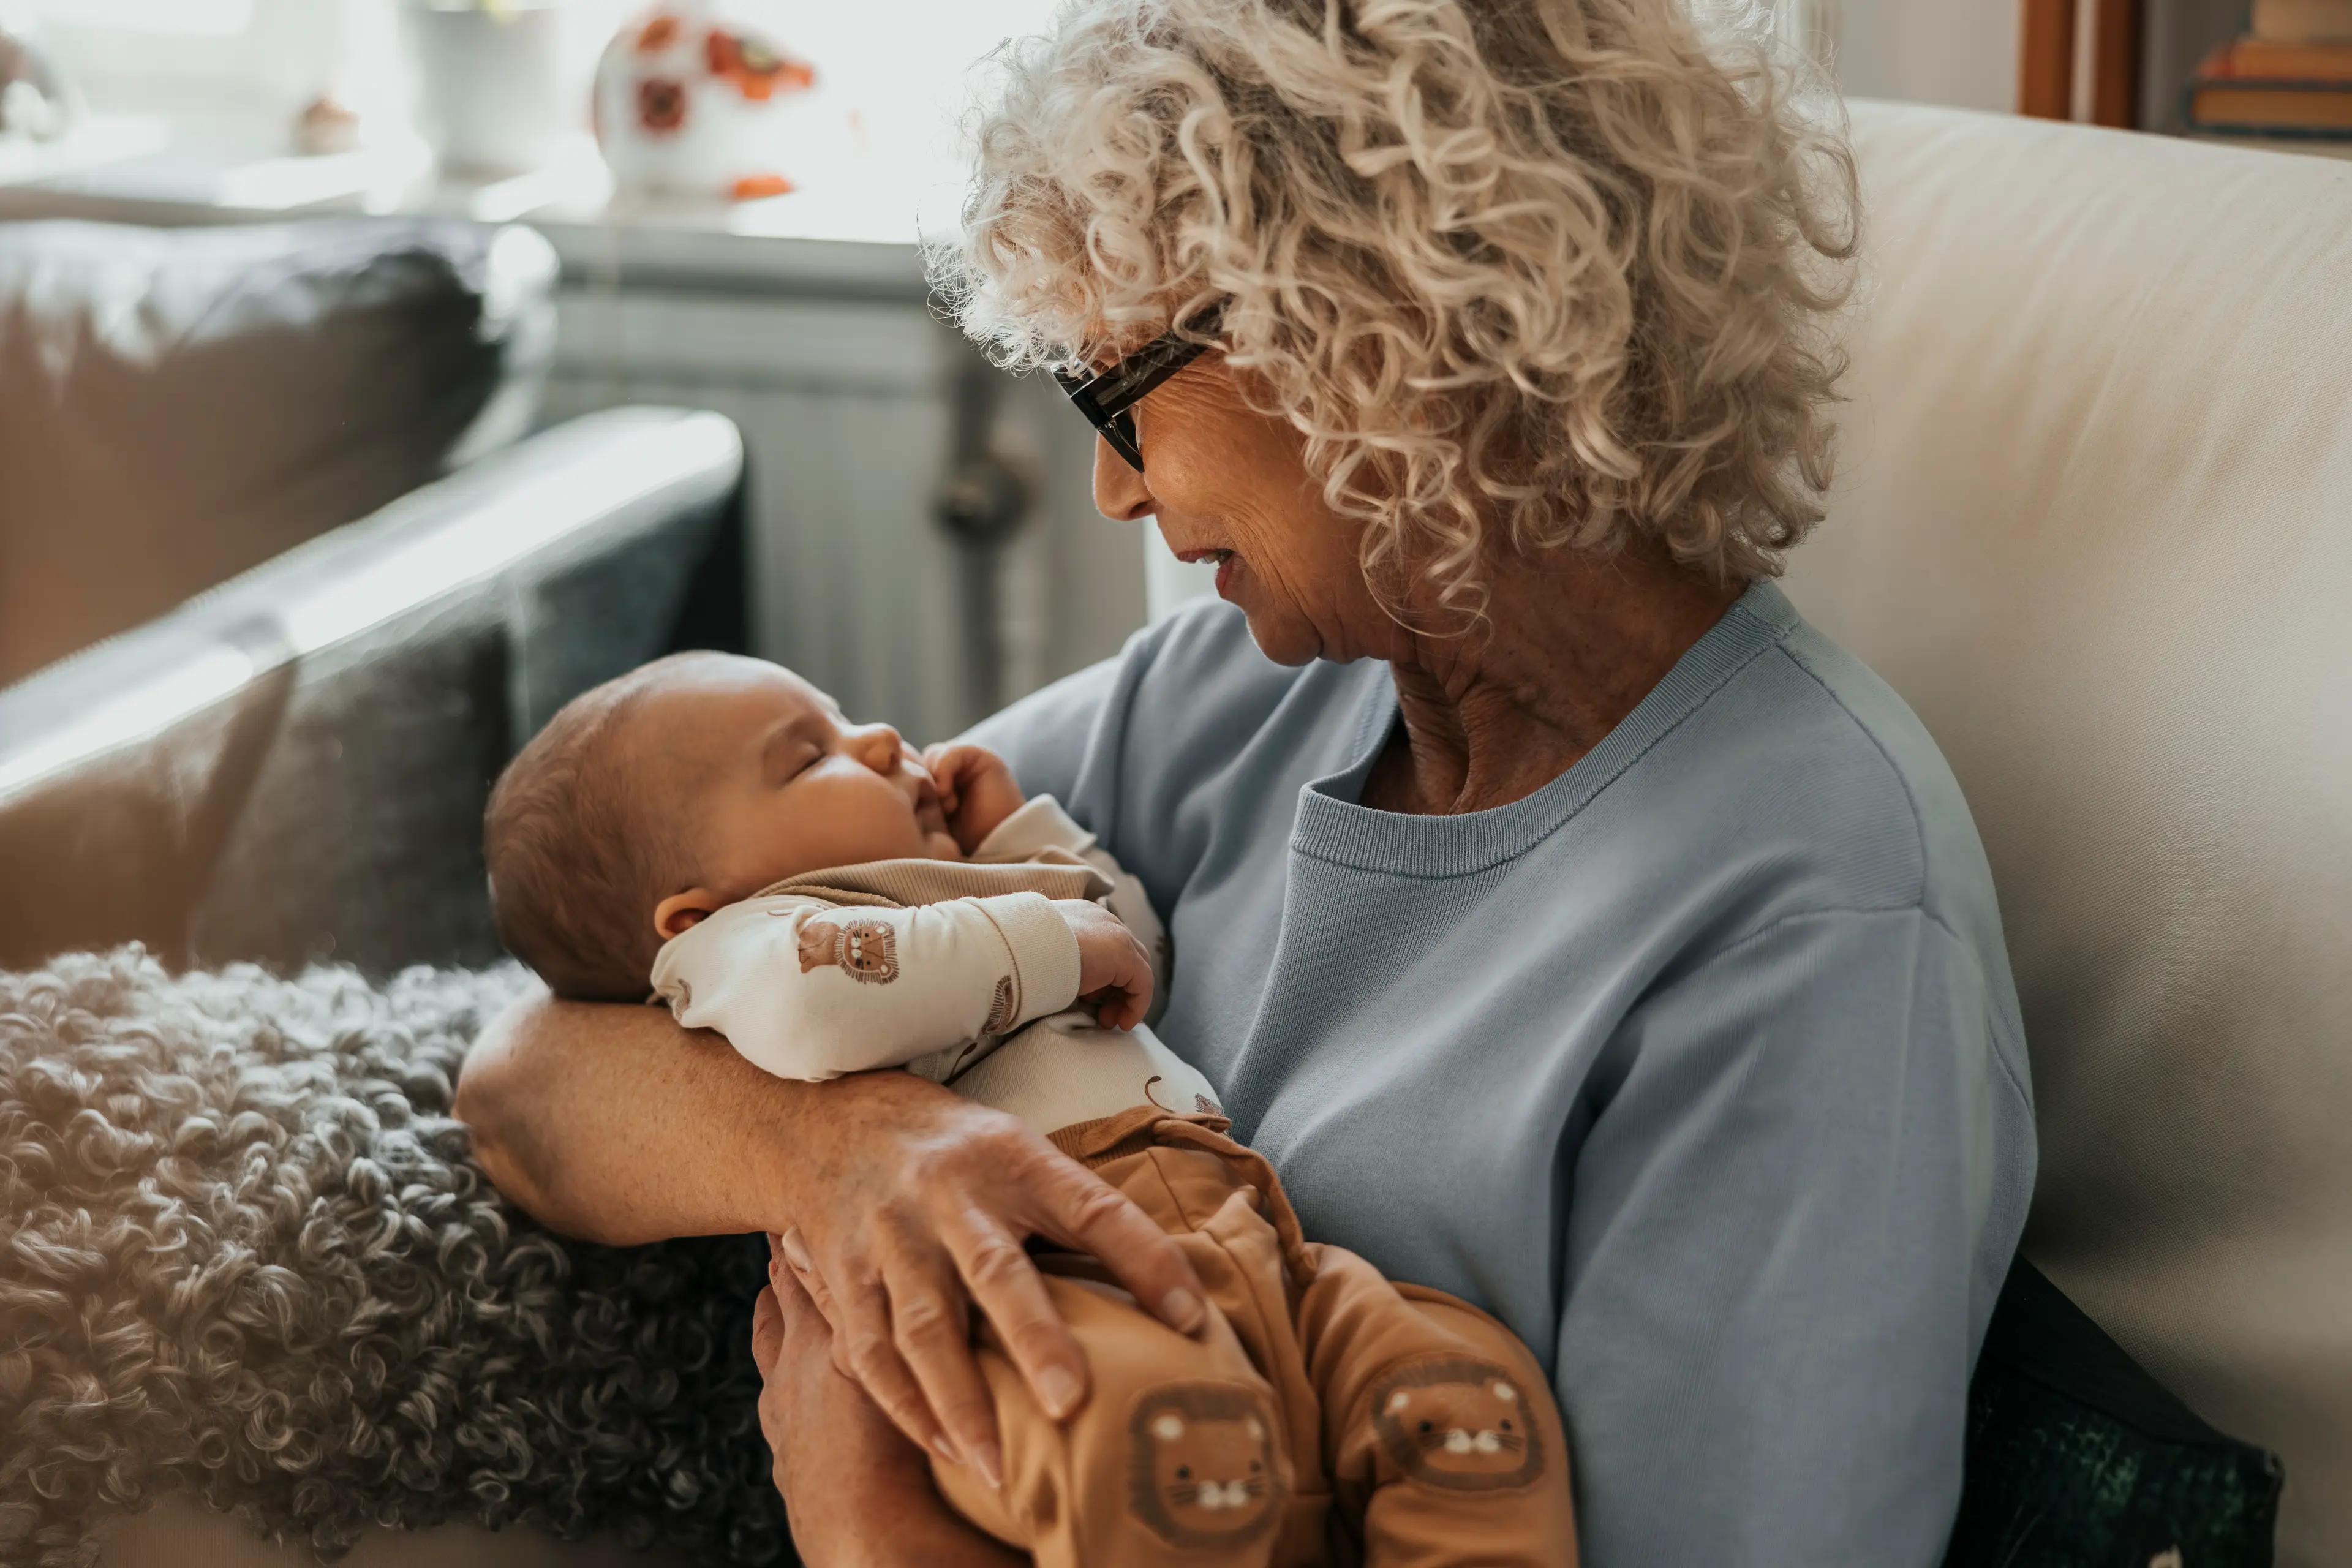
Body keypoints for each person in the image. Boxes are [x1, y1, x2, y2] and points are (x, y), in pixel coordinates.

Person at [454, 0, 2038, 1561]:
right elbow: (529, 1081)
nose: (1113, 484)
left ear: (1385, 329)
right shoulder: (1244, 687)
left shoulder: (1816, 921)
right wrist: (837, 1154)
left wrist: (873, 1540)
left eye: (1118, 396)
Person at [478, 650, 1579, 1566]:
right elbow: (832, 1004)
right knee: (1140, 1435)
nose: (876, 741)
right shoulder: (751, 949)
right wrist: (1042, 927)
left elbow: (1127, 957)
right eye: (808, 757)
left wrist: (1020, 847)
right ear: (692, 912)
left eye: (847, 718)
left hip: (1240, 1228)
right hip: (1045, 1286)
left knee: (1458, 1382)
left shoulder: (961, 893)